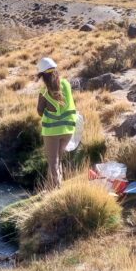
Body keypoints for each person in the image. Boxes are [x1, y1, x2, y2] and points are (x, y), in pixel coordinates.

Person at [36, 57, 77, 188]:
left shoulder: (44, 91)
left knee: (53, 162)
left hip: (52, 131)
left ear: (42, 75)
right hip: (69, 129)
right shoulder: (66, 84)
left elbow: (40, 112)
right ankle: (50, 188)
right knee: (58, 160)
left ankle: (56, 189)